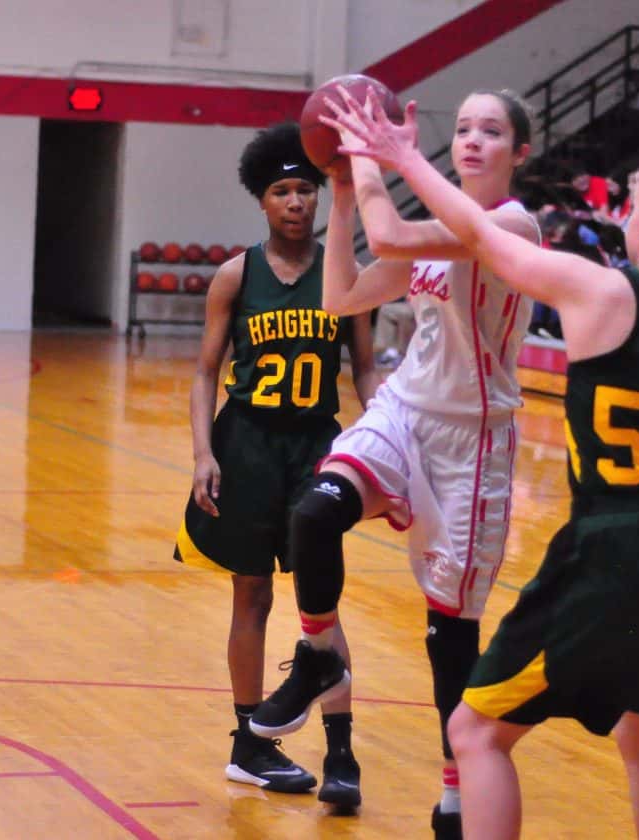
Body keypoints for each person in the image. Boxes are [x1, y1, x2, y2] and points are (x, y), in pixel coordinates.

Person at [322, 94, 639, 839]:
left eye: (632, 203)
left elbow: (477, 234)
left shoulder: (600, 291)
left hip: (616, 545)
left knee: (476, 732)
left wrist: (401, 157)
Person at [247, 88, 540, 840]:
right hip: (406, 412)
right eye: (463, 126)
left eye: (491, 130)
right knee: (316, 512)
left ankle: (454, 797)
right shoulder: (431, 234)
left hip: (473, 441)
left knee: (450, 637)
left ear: (520, 152)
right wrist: (344, 192)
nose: (472, 139)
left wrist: (375, 158)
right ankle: (318, 655)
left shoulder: (510, 225)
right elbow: (342, 296)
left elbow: (393, 232)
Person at [173, 121, 378, 807]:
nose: (296, 202)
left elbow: (366, 368)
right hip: (248, 445)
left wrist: (388, 440)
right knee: (252, 593)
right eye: (282, 191)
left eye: (306, 190)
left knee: (321, 600)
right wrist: (203, 452)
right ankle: (249, 745)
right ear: (261, 201)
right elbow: (205, 371)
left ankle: (341, 753)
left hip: (317, 445)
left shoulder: (343, 274)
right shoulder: (237, 275)